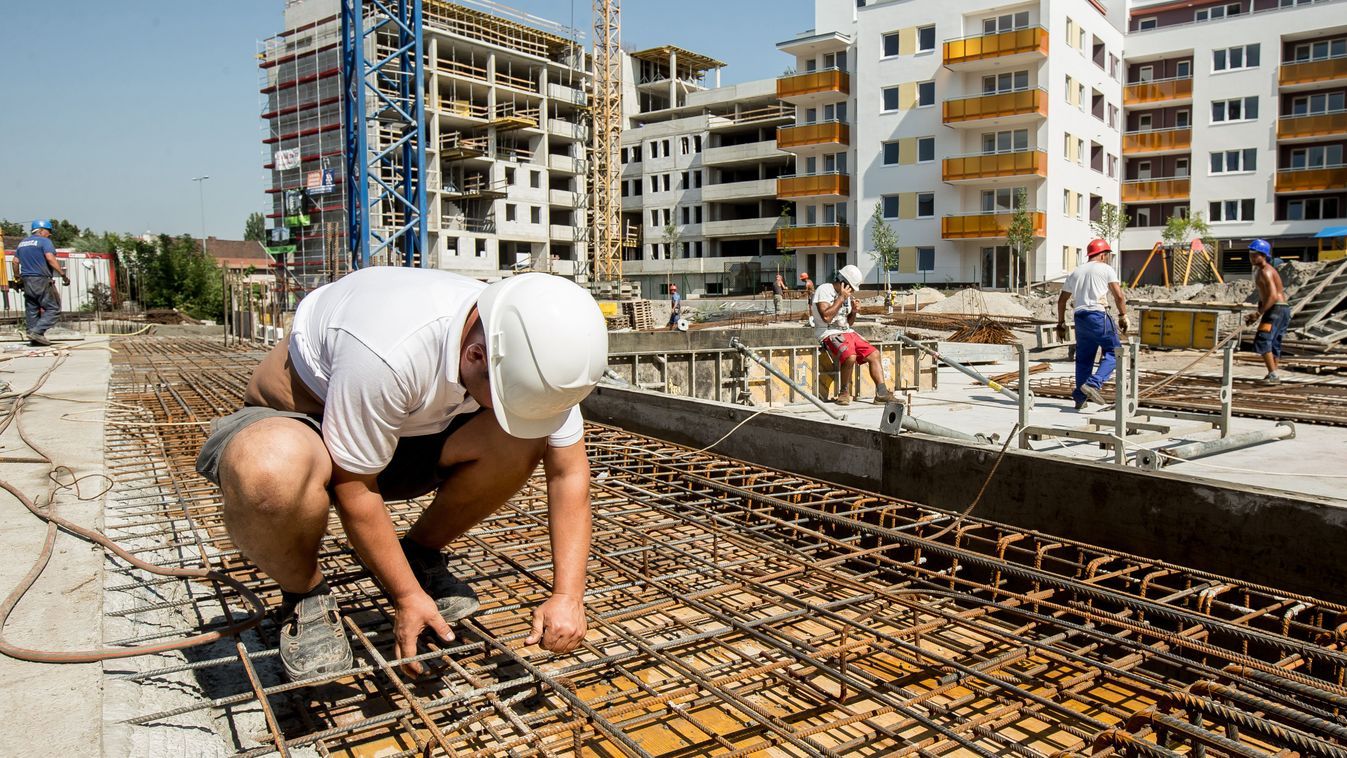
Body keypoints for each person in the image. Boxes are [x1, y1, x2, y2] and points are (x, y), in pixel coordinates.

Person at [194, 268, 607, 682]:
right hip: (306, 420)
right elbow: (354, 488)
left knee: (522, 436)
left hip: (404, 427)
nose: (510, 408)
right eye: (506, 399)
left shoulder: (535, 352)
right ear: (475, 355)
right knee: (268, 472)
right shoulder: (389, 348)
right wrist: (406, 596)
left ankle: (417, 555)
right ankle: (305, 592)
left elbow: (569, 474)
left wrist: (568, 596)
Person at [1056, 239, 1130, 410]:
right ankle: (1094, 384)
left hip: (1080, 317)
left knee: (1084, 359)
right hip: (1098, 315)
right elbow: (1119, 296)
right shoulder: (1106, 269)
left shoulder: (1075, 272)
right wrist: (1123, 315)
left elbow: (1061, 301)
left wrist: (1060, 323)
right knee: (1114, 352)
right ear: (1103, 255)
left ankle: (1080, 397)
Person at [813, 264, 891, 406]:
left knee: (874, 354)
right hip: (828, 332)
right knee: (850, 356)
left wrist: (854, 312)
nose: (852, 291)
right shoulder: (824, 290)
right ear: (843, 282)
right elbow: (826, 317)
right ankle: (844, 392)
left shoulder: (846, 296)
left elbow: (848, 323)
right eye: (851, 287)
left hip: (846, 331)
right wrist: (841, 298)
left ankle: (881, 392)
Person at [10, 219, 69, 347]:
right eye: (48, 231)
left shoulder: (22, 243)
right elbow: (50, 258)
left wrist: (17, 277)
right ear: (41, 231)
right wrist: (63, 274)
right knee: (54, 308)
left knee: (32, 309)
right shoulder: (44, 241)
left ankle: (34, 338)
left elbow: (15, 262)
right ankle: (37, 332)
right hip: (41, 279)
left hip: (26, 280)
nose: (49, 234)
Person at [1245, 239, 1288, 385]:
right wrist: (1258, 312)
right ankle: (1274, 373)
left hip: (1275, 309)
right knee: (1274, 342)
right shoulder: (1260, 271)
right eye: (1251, 254)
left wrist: (1259, 313)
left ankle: (1273, 375)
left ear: (1263, 255)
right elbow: (1264, 297)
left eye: (1255, 255)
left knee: (1263, 339)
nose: (1252, 257)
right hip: (1280, 309)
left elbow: (1273, 296)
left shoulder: (1266, 271)